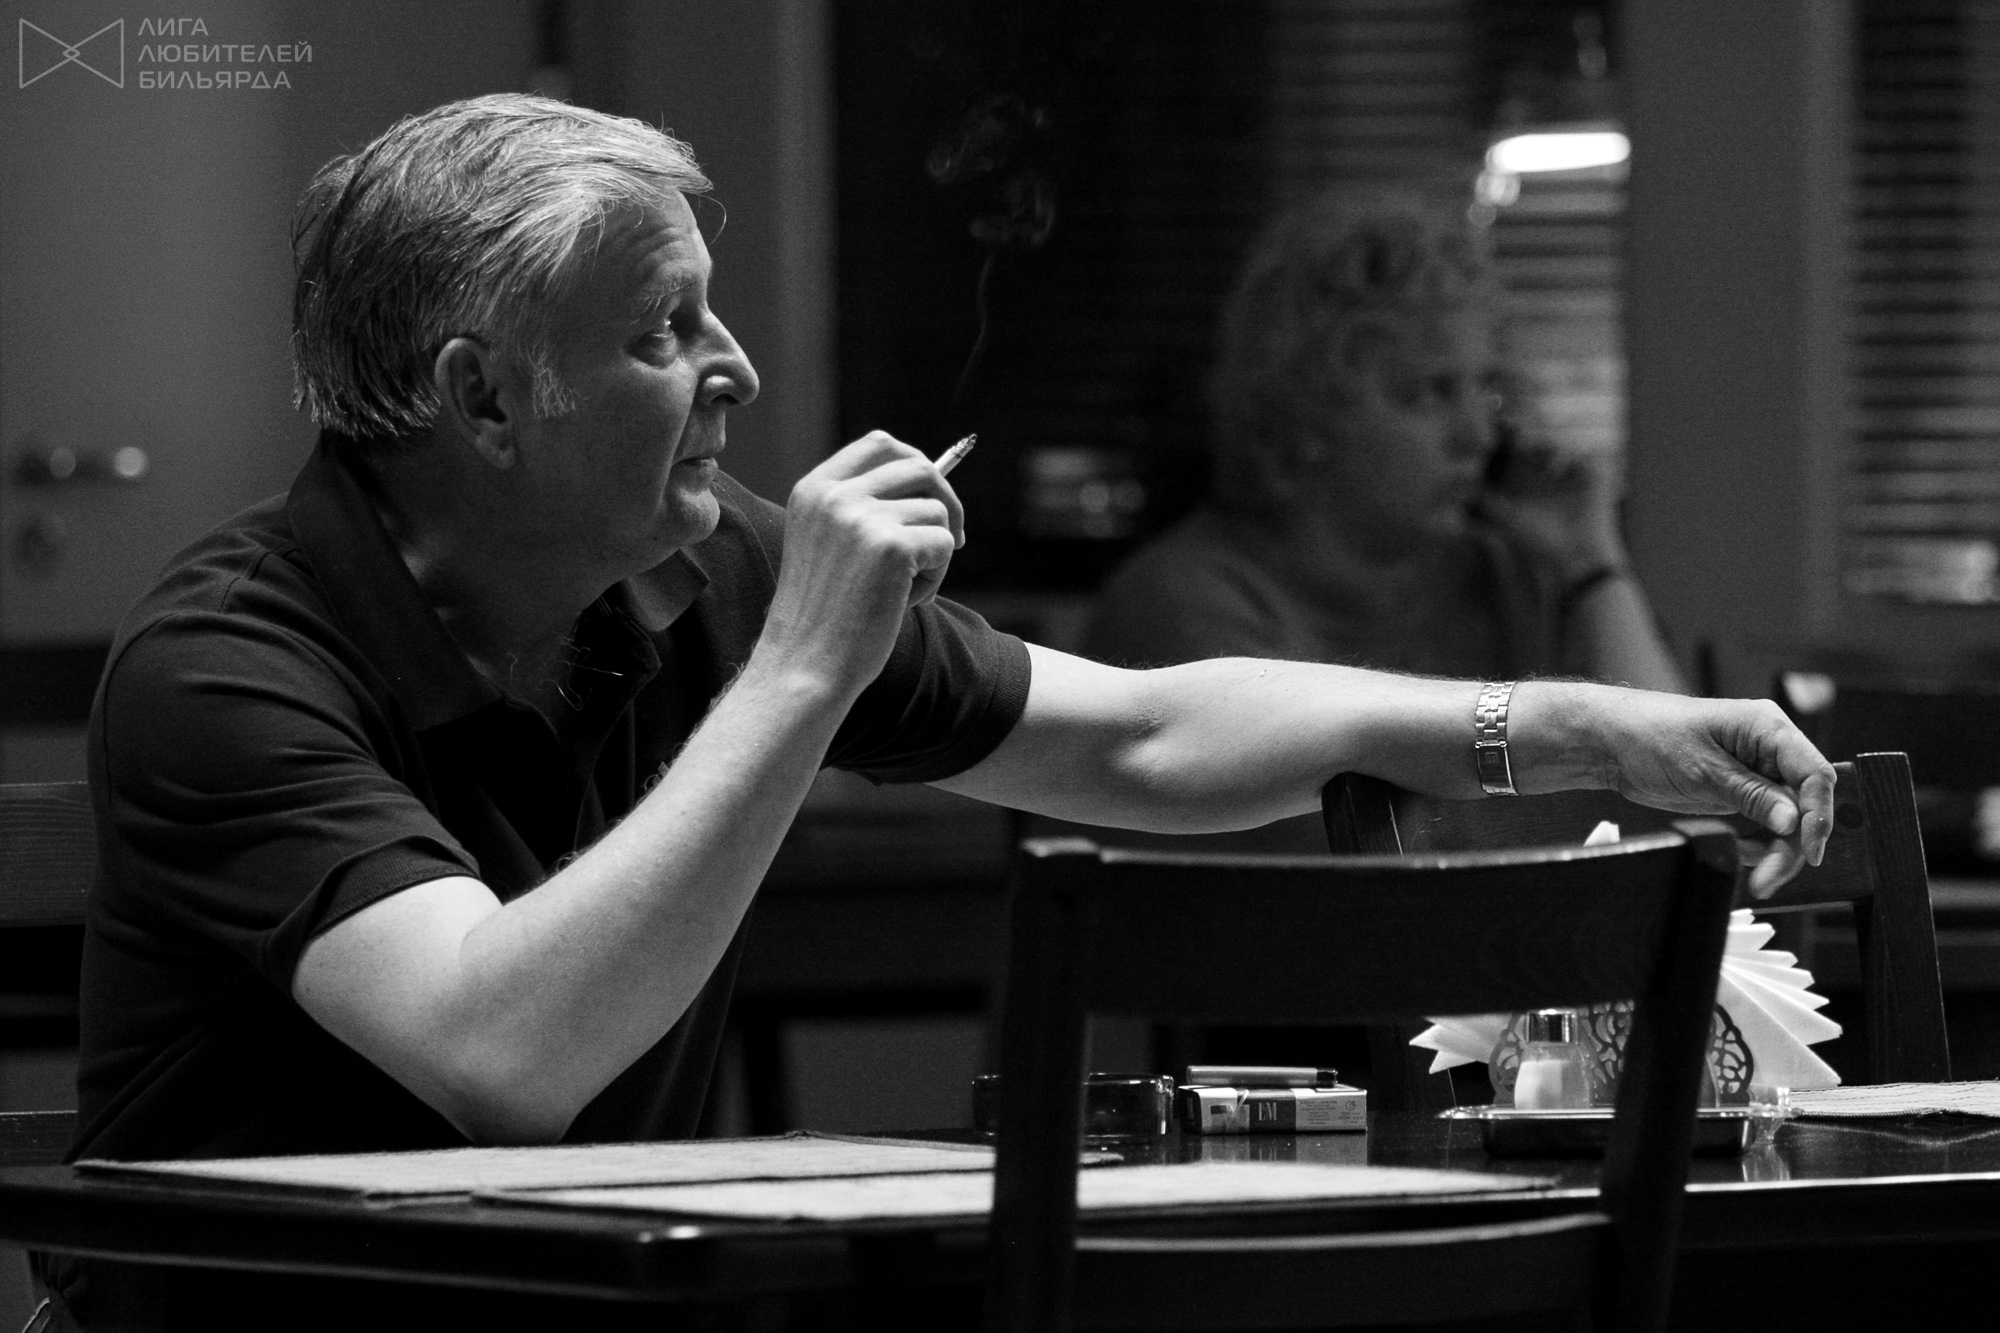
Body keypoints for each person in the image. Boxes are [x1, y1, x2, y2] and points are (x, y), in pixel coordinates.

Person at [73, 97, 1829, 1179]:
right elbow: (502, 1057)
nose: (738, 369)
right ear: (482, 400)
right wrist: (803, 666)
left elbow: (1143, 734)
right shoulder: (228, 664)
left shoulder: (703, 570)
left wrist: (1585, 725)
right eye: (664, 329)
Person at [1084, 188, 1683, 695]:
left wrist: (1592, 567)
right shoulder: (1190, 608)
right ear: (1309, 411)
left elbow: (1678, 775)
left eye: (1487, 390)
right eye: (1430, 392)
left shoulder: (1512, 581)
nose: (1477, 436)